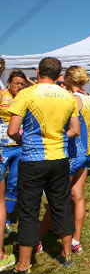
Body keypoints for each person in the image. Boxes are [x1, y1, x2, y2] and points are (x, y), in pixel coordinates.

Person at [0, 57, 80, 274]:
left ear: (37, 71)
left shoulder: (27, 93)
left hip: (33, 159)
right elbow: (74, 129)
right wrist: (58, 138)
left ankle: (23, 268)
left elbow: (13, 130)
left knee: (28, 210)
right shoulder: (67, 96)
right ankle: (66, 255)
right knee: (61, 204)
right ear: (59, 74)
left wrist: (25, 140)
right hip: (60, 158)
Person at [39, 66, 90, 255]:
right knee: (77, 196)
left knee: (58, 198)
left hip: (72, 153)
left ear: (69, 79)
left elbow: (64, 123)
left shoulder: (73, 99)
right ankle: (76, 240)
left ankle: (38, 238)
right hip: (87, 152)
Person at [0, 71, 29, 236]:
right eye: (16, 83)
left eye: (22, 84)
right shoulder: (2, 95)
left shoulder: (24, 97)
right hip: (2, 147)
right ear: (9, 82)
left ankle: (7, 221)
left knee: (13, 183)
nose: (19, 86)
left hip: (18, 146)